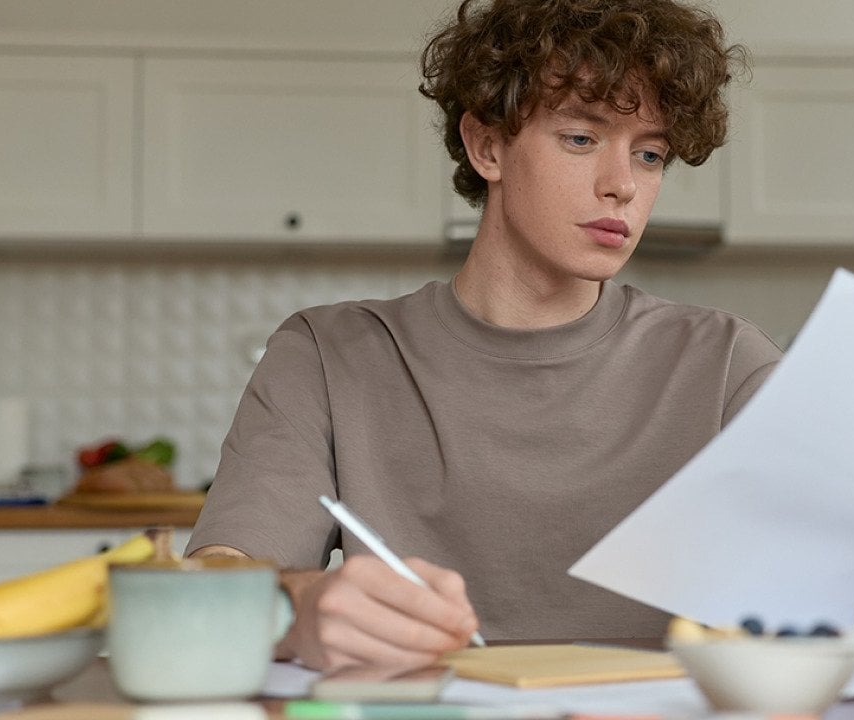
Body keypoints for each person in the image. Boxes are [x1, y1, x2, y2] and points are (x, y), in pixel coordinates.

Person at [186, 0, 780, 673]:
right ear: (488, 146)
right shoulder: (327, 356)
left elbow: (850, 604)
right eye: (581, 138)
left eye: (649, 155)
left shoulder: (730, 367)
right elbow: (211, 578)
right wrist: (293, 609)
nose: (623, 187)